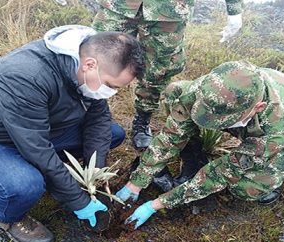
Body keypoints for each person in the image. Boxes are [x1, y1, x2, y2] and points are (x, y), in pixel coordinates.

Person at [0, 25, 145, 242]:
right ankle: (5, 217)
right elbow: (37, 149)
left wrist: (95, 176)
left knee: (112, 134)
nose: (110, 92)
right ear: (89, 65)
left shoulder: (88, 70)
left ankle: (49, 176)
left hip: (38, 129)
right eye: (109, 86)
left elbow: (97, 121)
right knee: (26, 184)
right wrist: (78, 201)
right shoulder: (23, 76)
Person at [115, 60, 284, 229]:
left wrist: (157, 204)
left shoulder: (278, 125)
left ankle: (272, 176)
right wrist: (137, 181)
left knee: (245, 188)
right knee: (174, 94)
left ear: (258, 106)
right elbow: (170, 137)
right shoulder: (209, 88)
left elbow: (222, 173)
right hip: (247, 120)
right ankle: (193, 147)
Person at [92, 0, 244, 151]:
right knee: (99, 56)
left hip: (168, 10)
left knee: (158, 69)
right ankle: (89, 111)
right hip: (117, 5)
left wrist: (234, 8)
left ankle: (143, 118)